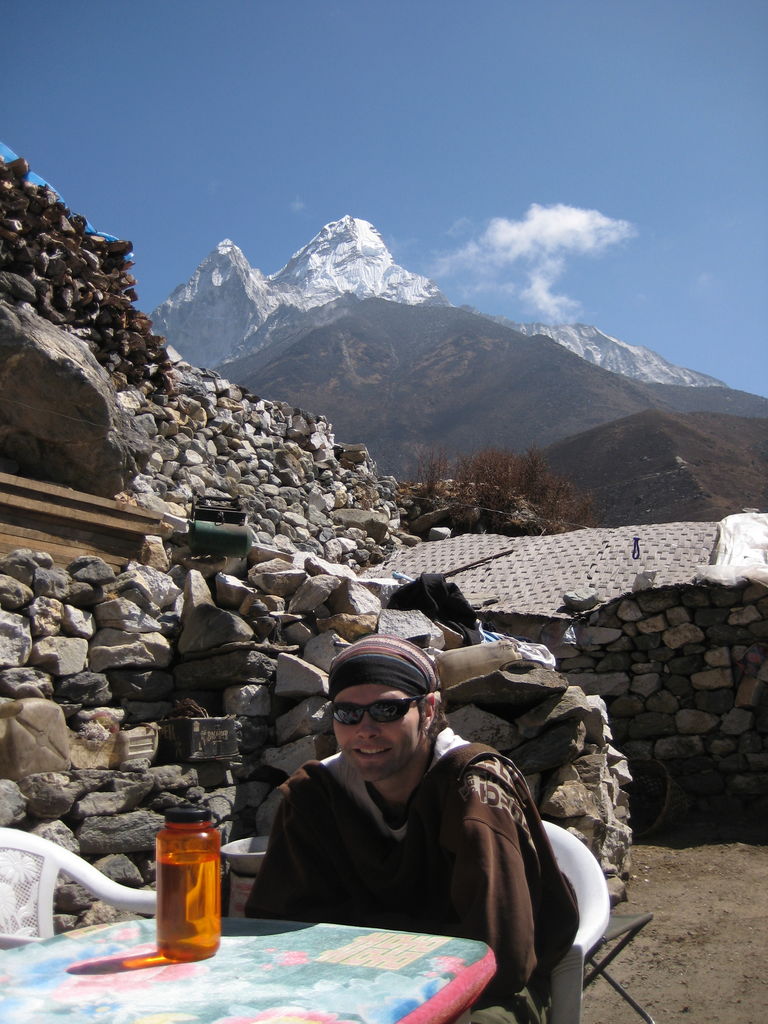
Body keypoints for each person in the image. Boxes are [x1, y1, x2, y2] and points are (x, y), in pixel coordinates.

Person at [245, 634, 579, 1022]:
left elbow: (501, 954)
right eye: (347, 713)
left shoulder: (473, 790)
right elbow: (277, 924)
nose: (365, 730)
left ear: (429, 709)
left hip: (480, 990)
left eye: (387, 710)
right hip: (345, 985)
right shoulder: (314, 796)